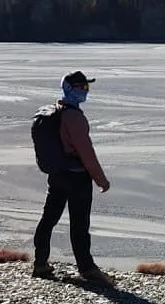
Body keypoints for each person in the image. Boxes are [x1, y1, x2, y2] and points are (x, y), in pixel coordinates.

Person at [32, 70, 111, 283]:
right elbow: (86, 152)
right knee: (79, 225)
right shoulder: (74, 117)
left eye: (86, 87)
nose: (85, 91)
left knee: (49, 218)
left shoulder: (56, 112)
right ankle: (87, 270)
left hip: (57, 175)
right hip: (77, 178)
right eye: (80, 87)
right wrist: (101, 180)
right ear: (67, 88)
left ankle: (40, 263)